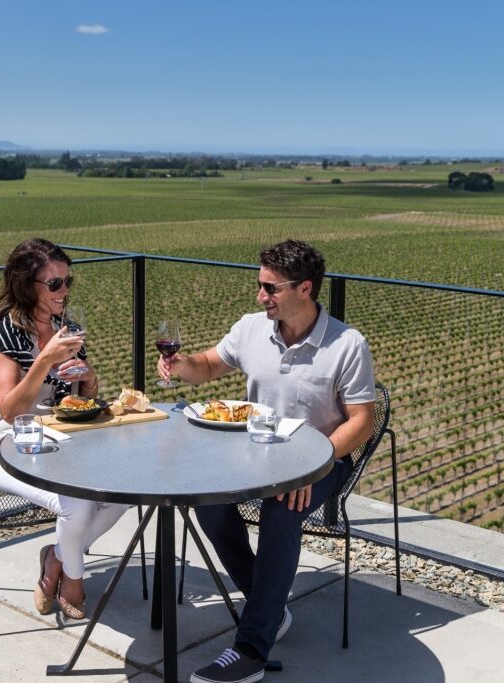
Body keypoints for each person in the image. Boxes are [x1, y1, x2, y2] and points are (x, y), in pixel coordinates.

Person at [158, 240, 377, 683]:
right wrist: (182, 365)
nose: (261, 296)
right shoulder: (251, 328)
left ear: (305, 289)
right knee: (207, 503)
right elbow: (208, 365)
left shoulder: (347, 344)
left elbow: (363, 421)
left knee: (282, 511)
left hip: (321, 462)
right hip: (254, 455)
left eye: (270, 288)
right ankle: (269, 606)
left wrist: (311, 465)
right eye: (260, 285)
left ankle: (251, 649)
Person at [0, 238, 128, 620]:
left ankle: (55, 557)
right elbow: (10, 411)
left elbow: (82, 398)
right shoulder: (7, 335)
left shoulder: (65, 328)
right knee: (77, 504)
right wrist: (44, 360)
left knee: (124, 491)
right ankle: (73, 580)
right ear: (28, 286)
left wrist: (89, 378)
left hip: (62, 445)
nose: (64, 290)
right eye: (55, 283)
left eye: (67, 281)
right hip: (10, 450)